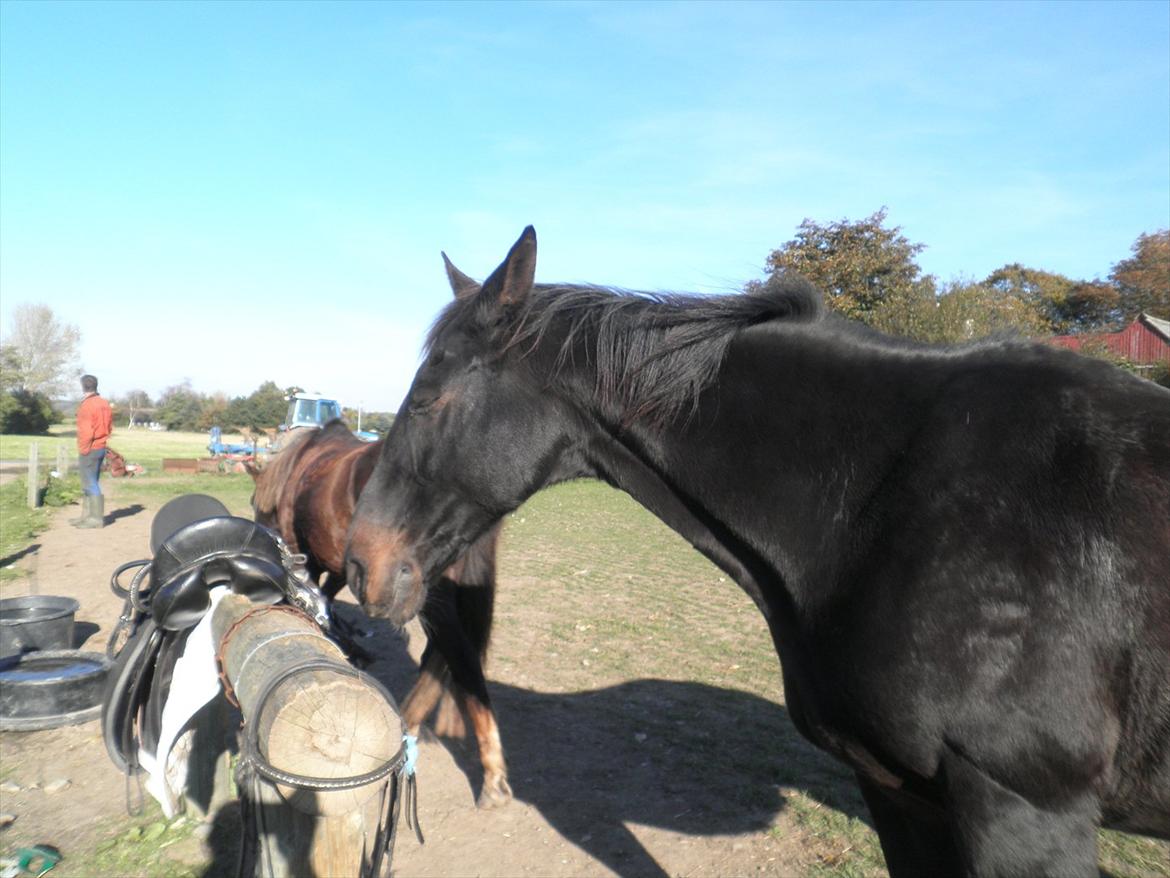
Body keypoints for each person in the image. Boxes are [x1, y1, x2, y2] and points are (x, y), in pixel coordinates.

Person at [71, 374, 113, 529]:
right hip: (101, 446)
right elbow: (108, 427)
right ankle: (86, 516)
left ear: (83, 387)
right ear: (96, 385)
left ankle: (95, 519)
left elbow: (86, 432)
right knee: (91, 481)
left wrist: (83, 450)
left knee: (89, 483)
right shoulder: (104, 403)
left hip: (90, 448)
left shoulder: (87, 406)